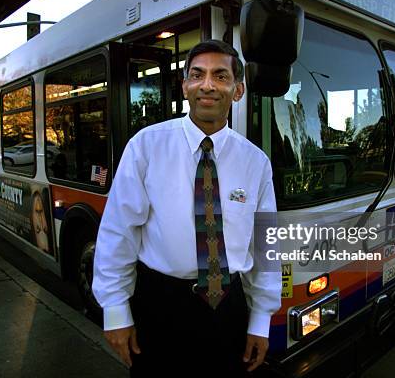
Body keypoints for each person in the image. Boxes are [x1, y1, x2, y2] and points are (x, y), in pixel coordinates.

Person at [93, 39, 280, 377]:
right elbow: (118, 232)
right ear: (185, 87)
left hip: (229, 308)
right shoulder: (146, 146)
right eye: (198, 75)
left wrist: (261, 321)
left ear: (237, 91)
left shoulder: (256, 162)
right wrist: (116, 310)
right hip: (160, 305)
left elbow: (265, 247)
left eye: (220, 76)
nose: (207, 85)